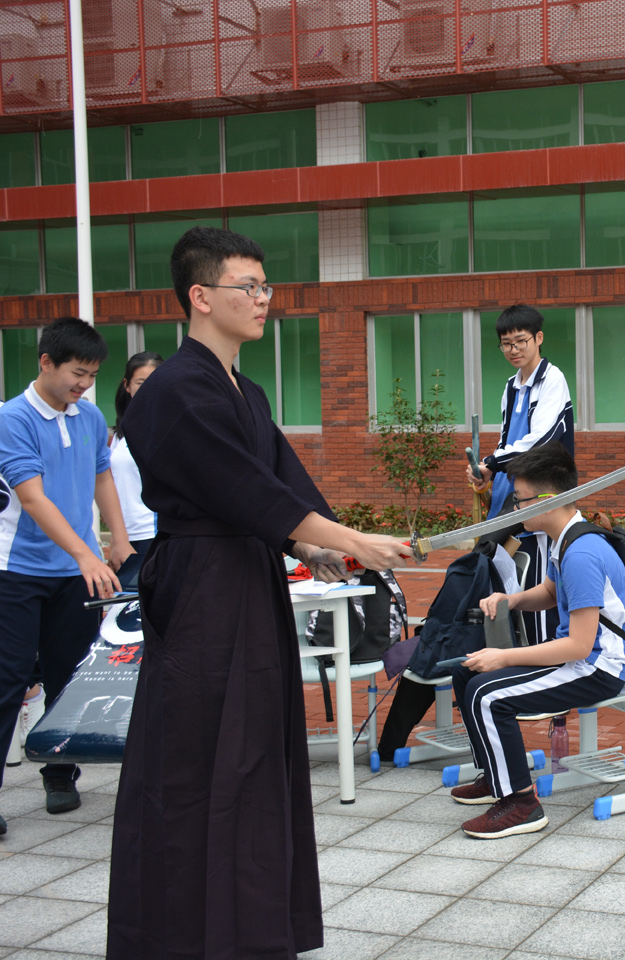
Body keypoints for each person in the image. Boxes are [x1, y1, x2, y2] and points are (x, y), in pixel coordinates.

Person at [107, 226, 412, 958]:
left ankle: (251, 931)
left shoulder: (246, 390)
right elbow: (242, 490)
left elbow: (277, 489)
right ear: (200, 295)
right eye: (248, 286)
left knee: (255, 759)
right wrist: (352, 538)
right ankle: (183, 937)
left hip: (249, 579)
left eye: (266, 286)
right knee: (197, 762)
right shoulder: (175, 391)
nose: (263, 299)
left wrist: (315, 547)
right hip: (202, 591)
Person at [450, 443, 625, 838]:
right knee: (467, 674)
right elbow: (551, 592)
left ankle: (521, 805)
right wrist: (511, 599)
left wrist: (504, 657)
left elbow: (579, 647)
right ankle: (497, 777)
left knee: (488, 694)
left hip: (599, 666)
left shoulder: (581, 553)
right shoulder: (562, 538)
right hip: (580, 656)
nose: (515, 508)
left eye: (519, 500)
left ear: (548, 501)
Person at [0, 318, 130, 837]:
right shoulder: (12, 418)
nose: (85, 384)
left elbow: (102, 475)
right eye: (77, 373)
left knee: (67, 677)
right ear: (46, 362)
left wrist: (118, 540)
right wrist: (85, 554)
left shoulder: (89, 415)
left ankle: (59, 774)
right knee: (8, 680)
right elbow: (32, 498)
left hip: (74, 572)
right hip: (16, 571)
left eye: (92, 375)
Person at [466, 304, 574, 647]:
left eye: (521, 341)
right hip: (509, 501)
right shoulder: (511, 387)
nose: (514, 350)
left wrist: (491, 462)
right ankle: (515, 658)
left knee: (539, 591)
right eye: (506, 344)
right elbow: (506, 442)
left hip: (541, 500)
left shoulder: (553, 380)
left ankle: (546, 662)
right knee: (507, 585)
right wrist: (487, 475)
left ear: (538, 338)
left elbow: (540, 441)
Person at [109, 351, 163, 591]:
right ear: (127, 385)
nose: (147, 389)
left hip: (154, 535)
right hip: (126, 537)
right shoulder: (121, 432)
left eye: (154, 382)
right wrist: (117, 537)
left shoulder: (167, 426)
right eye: (141, 383)